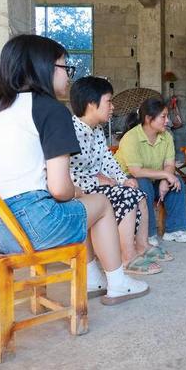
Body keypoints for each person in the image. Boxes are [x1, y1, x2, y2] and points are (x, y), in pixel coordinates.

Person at [0, 34, 148, 305]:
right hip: (29, 228)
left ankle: (92, 278)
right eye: (65, 68)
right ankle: (118, 282)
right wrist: (77, 191)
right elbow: (60, 189)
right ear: (44, 67)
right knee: (98, 203)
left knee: (82, 207)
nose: (68, 76)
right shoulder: (50, 110)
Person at [69, 76, 170, 276]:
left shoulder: (96, 130)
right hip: (80, 189)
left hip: (98, 185)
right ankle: (127, 257)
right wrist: (97, 179)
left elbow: (108, 159)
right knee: (128, 197)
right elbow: (67, 173)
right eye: (109, 101)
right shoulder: (71, 131)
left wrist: (123, 179)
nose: (113, 107)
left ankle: (142, 246)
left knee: (138, 193)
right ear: (91, 104)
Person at [115, 97, 186, 245]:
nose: (168, 121)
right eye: (163, 116)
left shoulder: (167, 137)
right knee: (143, 183)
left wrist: (165, 180)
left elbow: (169, 164)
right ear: (148, 118)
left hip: (153, 180)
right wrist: (165, 175)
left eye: (167, 116)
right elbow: (136, 172)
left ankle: (174, 230)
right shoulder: (131, 137)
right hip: (127, 183)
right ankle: (147, 234)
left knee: (177, 182)